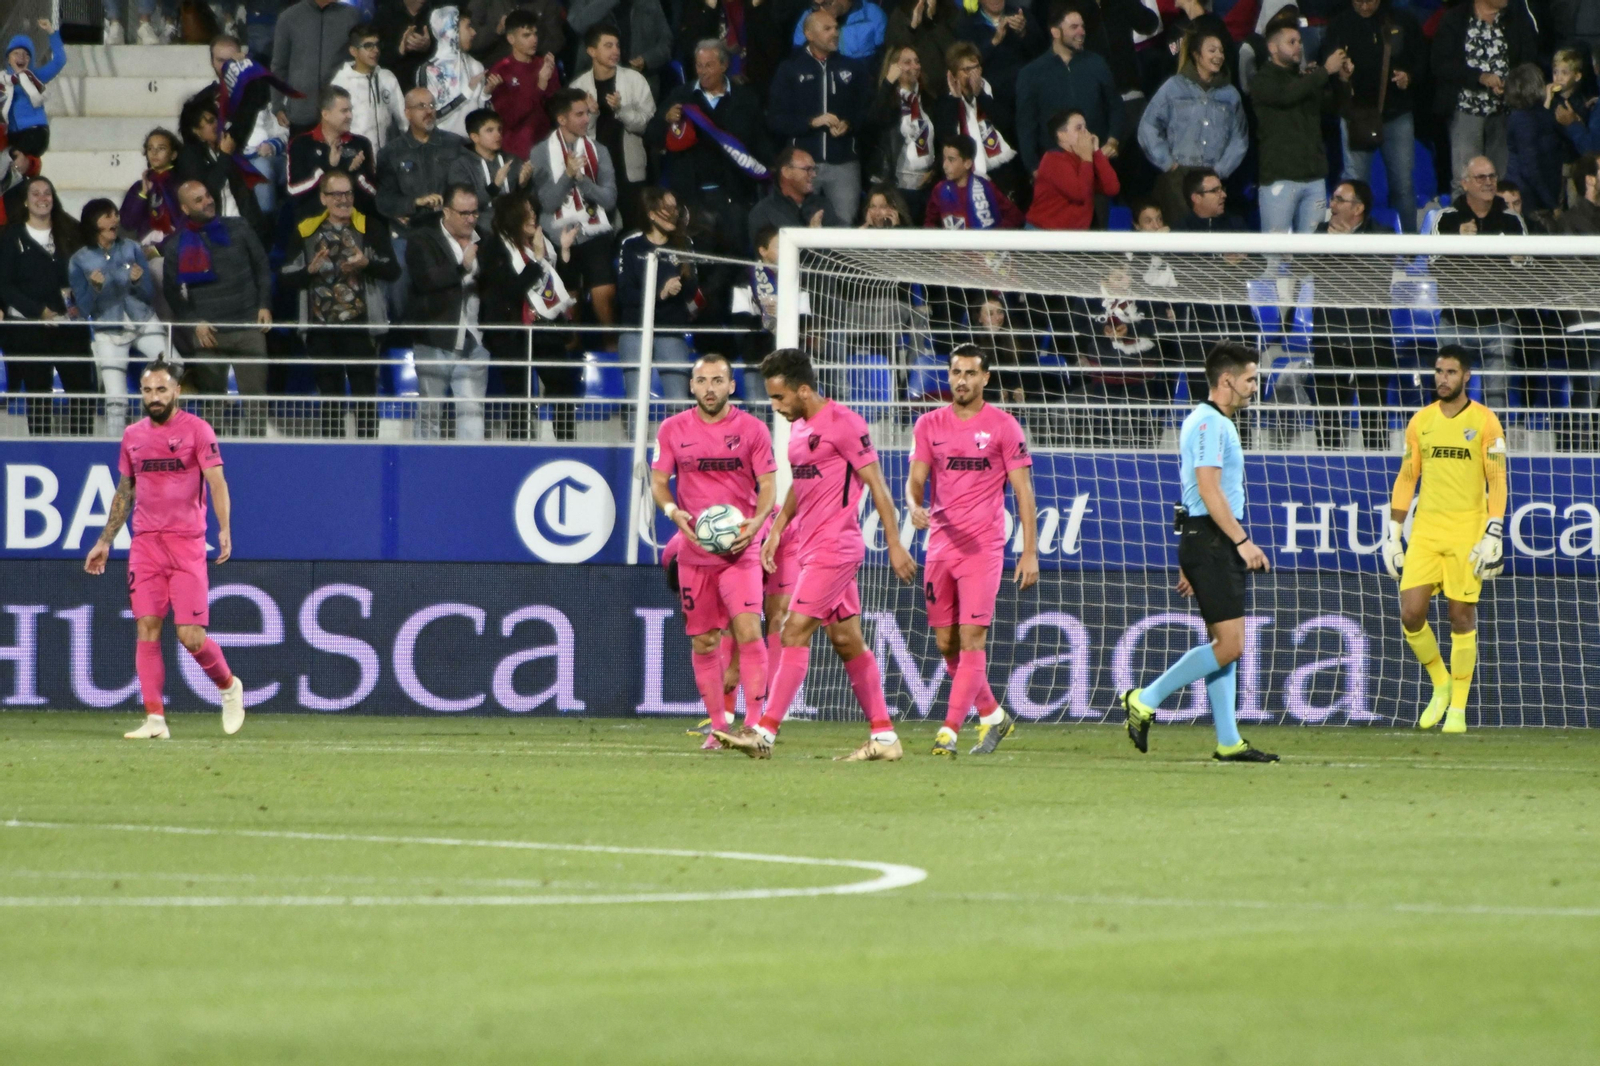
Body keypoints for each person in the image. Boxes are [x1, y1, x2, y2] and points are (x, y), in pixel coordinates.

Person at [715, 347, 918, 761]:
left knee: (792, 631)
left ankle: (763, 734)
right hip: (810, 547)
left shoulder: (844, 424)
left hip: (835, 549)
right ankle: (884, 737)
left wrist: (896, 543)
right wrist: (775, 530)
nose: (776, 407)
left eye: (779, 398)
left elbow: (878, 487)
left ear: (803, 390)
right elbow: (800, 485)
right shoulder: (799, 427)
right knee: (846, 640)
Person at [1119, 341, 1279, 763]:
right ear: (1227, 380)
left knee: (1223, 644)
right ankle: (1145, 698)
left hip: (1202, 538)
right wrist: (1242, 542)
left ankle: (1228, 740)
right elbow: (1207, 490)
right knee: (1230, 646)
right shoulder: (1211, 424)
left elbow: (1192, 493)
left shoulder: (1211, 421)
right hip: (1211, 539)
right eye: (1249, 379)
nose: (1254, 386)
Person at [83, 360, 246, 742]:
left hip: (186, 544)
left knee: (190, 635)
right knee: (147, 627)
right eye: (147, 391)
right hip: (145, 545)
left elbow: (217, 482)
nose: (153, 397)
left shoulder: (197, 431)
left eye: (161, 390)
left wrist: (224, 529)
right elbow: (126, 490)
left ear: (176, 392)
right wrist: (105, 540)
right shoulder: (133, 436)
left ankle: (228, 687)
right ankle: (155, 718)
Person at [906, 343, 1038, 757]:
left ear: (986, 378)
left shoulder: (1003, 426)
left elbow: (1024, 494)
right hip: (941, 545)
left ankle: (949, 731)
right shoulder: (929, 424)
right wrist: (913, 506)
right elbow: (916, 480)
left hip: (983, 547)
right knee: (946, 643)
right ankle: (994, 715)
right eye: (955, 372)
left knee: (972, 639)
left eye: (970, 373)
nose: (961, 380)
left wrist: (1029, 551)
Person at [651, 353, 778, 748]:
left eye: (718, 381)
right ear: (692, 386)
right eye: (702, 381)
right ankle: (719, 726)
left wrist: (756, 523)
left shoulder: (753, 429)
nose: (710, 388)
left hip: (740, 549)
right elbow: (658, 481)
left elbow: (769, 484)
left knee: (748, 631)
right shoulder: (673, 429)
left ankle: (755, 726)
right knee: (704, 641)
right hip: (695, 552)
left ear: (731, 386)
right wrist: (674, 512)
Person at [1381, 347, 1508, 735]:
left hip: (1466, 530)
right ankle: (1440, 681)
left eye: (1451, 372)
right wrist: (1394, 532)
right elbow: (1407, 477)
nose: (1443, 379)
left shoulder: (1486, 422)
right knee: (1410, 613)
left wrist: (1494, 529)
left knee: (1460, 617)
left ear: (1466, 376)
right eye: (1439, 371)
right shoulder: (1420, 421)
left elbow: (1497, 479)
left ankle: (1457, 710)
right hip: (1427, 530)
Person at [279, 170, 401, 438]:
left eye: (348, 193)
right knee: (330, 398)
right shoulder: (306, 230)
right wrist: (308, 271)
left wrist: (367, 264)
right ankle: (332, 455)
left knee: (365, 397)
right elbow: (286, 277)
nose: (344, 200)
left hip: (360, 326)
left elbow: (393, 271)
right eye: (336, 194)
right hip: (321, 329)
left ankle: (369, 454)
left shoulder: (370, 227)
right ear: (323, 198)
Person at [162, 180, 274, 436]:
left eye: (208, 195)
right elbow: (171, 291)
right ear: (185, 208)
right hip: (208, 333)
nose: (208, 201)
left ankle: (256, 454)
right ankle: (212, 458)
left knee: (256, 401)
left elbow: (262, 266)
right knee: (212, 406)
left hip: (248, 326)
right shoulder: (176, 245)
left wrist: (264, 304)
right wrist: (193, 321)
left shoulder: (240, 227)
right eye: (199, 200)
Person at [650, 39, 772, 256]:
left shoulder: (745, 99)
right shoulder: (681, 95)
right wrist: (664, 120)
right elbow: (651, 136)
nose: (702, 72)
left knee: (734, 256)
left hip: (734, 194)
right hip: (691, 194)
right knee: (699, 257)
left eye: (708, 65)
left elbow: (759, 143)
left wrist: (769, 170)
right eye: (699, 65)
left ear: (724, 66)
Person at [477, 192, 580, 440]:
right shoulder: (492, 248)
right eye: (527, 212)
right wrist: (536, 260)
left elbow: (560, 286)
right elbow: (510, 289)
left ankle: (567, 445)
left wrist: (563, 252)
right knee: (519, 397)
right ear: (511, 216)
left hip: (546, 329)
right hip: (512, 333)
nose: (533, 216)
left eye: (533, 212)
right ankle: (520, 450)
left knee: (563, 387)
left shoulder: (540, 244)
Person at [1429, 156, 1525, 412]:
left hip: (1500, 322)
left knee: (1497, 397)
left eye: (1492, 176)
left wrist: (1517, 260)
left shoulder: (1512, 220)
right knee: (1450, 397)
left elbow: (1528, 269)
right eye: (1481, 177)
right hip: (1455, 322)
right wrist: (1456, 241)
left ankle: (1494, 450)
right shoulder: (1445, 219)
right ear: (1465, 183)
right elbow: (1432, 264)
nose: (1489, 182)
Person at [1320, 0, 1424, 232]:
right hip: (1356, 115)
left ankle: (1409, 251)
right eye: (1359, 1)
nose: (1365, 6)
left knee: (1404, 187)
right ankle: (1353, 249)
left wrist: (1410, 77)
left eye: (1370, 0)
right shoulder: (1339, 24)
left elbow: (1422, 60)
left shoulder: (1402, 20)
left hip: (1396, 113)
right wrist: (1342, 76)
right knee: (1354, 189)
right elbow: (1326, 67)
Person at [0, 176, 91, 436]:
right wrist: (39, 311)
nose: (42, 198)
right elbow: (4, 285)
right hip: (28, 327)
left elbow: (83, 272)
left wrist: (76, 305)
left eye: (47, 193)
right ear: (26, 202)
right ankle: (40, 446)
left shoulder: (70, 230)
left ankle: (82, 446)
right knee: (38, 393)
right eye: (36, 194)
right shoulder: (11, 236)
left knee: (82, 390)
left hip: (69, 324)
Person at [767, 9, 871, 229]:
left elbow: (867, 112)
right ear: (809, 34)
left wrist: (848, 124)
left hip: (844, 163)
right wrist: (810, 123)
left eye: (836, 28)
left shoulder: (853, 68)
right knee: (799, 224)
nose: (835, 33)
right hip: (803, 164)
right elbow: (775, 119)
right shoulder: (790, 69)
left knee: (844, 226)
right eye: (827, 29)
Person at [70, 199, 169, 431]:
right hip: (108, 330)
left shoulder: (132, 248)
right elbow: (83, 309)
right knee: (116, 401)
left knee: (175, 367)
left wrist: (136, 282)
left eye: (115, 214)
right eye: (107, 215)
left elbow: (148, 292)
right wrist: (94, 289)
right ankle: (115, 447)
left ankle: (162, 431)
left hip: (143, 321)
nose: (115, 219)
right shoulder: (79, 260)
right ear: (94, 222)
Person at [1138, 27, 1248, 228]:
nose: (1218, 55)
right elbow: (1148, 125)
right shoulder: (1174, 87)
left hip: (1213, 178)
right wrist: (1168, 163)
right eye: (1212, 50)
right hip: (1178, 177)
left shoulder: (1230, 94)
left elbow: (1239, 139)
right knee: (1181, 239)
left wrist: (1221, 170)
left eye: (1221, 51)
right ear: (1197, 55)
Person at [1313, 179, 1393, 451]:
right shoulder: (1320, 233)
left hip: (1371, 340)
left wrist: (1345, 245)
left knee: (1375, 420)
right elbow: (1300, 266)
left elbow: (1378, 275)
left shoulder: (1383, 235)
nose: (1331, 205)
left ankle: (1378, 473)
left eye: (1338, 199)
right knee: (1328, 420)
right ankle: (1326, 471)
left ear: (1358, 208)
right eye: (1332, 199)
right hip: (1329, 338)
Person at [530, 88, 619, 328]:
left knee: (604, 292)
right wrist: (568, 175)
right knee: (569, 298)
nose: (586, 119)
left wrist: (582, 180)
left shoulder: (599, 150)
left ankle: (612, 349)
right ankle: (572, 347)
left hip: (593, 230)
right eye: (579, 114)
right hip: (557, 236)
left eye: (587, 113)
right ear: (562, 119)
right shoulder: (540, 154)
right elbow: (548, 202)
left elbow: (609, 200)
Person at [407, 183, 490, 440]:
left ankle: (470, 475)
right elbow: (426, 280)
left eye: (474, 212)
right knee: (430, 416)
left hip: (474, 342)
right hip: (435, 340)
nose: (471, 219)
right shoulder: (422, 239)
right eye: (464, 213)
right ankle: (422, 474)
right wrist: (461, 268)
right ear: (446, 211)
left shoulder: (484, 240)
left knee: (473, 418)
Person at [376, 88, 467, 320]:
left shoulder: (455, 145)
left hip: (448, 232)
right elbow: (384, 200)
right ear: (407, 113)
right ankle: (403, 336)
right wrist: (413, 203)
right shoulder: (390, 153)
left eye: (431, 106)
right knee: (399, 274)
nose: (429, 112)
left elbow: (467, 187)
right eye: (421, 107)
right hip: (409, 233)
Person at [1431, 0, 1539, 191]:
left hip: (1505, 109)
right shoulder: (1455, 19)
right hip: (1467, 109)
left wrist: (1511, 83)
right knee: (1465, 178)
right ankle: (1464, 220)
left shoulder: (1515, 18)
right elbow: (1441, 64)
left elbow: (1528, 58)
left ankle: (1498, 218)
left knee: (1501, 178)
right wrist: (1480, 77)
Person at [1253, 17, 1345, 234]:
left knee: (1310, 257)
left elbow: (1332, 108)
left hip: (1314, 179)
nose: (1298, 47)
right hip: (1279, 179)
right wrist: (1324, 71)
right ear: (1273, 47)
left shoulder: (1307, 80)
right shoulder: (1262, 80)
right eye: (1291, 42)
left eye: (1300, 42)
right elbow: (1286, 95)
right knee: (1275, 257)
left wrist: (1342, 80)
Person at [616, 187, 702, 401]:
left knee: (678, 401)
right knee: (636, 399)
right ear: (651, 213)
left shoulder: (684, 244)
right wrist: (659, 294)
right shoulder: (631, 245)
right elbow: (624, 294)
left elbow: (692, 290)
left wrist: (684, 280)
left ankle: (677, 437)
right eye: (667, 208)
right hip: (635, 329)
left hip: (671, 329)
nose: (674, 213)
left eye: (675, 208)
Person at [1015, 5, 1122, 176]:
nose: (1081, 32)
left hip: (1098, 161)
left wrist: (1113, 140)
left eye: (1082, 26)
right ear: (1055, 32)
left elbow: (1115, 105)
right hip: (1057, 170)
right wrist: (1034, 169)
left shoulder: (1097, 63)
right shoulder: (1031, 74)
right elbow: (1025, 126)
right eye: (1074, 27)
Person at [572, 25, 656, 233]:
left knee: (635, 229)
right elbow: (573, 135)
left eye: (617, 45)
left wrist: (621, 110)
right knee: (601, 233)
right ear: (592, 51)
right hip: (596, 174)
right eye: (608, 46)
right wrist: (590, 114)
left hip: (630, 171)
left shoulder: (635, 80)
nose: (615, 51)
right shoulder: (578, 88)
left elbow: (646, 124)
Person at [173, 95, 269, 243]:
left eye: (217, 119)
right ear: (196, 131)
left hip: (244, 228)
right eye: (210, 122)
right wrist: (224, 156)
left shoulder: (227, 145)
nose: (217, 125)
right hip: (216, 234)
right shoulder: (189, 156)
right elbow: (208, 189)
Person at [935, 42, 1020, 200]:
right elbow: (946, 137)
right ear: (953, 75)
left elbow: (1008, 125)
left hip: (1002, 172)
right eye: (966, 70)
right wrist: (954, 99)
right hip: (965, 177)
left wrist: (981, 95)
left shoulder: (994, 91)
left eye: (976, 67)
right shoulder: (945, 103)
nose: (973, 74)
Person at [867, 44, 938, 224]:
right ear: (893, 67)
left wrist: (934, 170)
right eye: (907, 62)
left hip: (924, 186)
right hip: (895, 186)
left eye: (917, 61)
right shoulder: (886, 100)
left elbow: (942, 138)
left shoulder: (928, 100)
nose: (915, 66)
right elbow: (873, 122)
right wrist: (888, 83)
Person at [285, 85, 379, 222]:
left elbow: (373, 192)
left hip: (355, 224)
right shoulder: (301, 144)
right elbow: (294, 190)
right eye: (344, 111)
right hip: (312, 223)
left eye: (350, 110)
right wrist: (327, 166)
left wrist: (353, 172)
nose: (350, 116)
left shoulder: (360, 144)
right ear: (325, 114)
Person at [271, 0, 364, 136]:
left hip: (339, 112)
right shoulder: (289, 17)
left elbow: (358, 61)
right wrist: (277, 105)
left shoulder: (352, 16)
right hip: (301, 111)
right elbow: (279, 66)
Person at [1027, 108, 1119, 230]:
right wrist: (1087, 157)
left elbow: (1112, 188)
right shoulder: (1053, 159)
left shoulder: (1085, 159)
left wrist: (1097, 151)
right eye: (1078, 128)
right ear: (1062, 135)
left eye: (1085, 128)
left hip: (1072, 237)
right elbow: (1080, 193)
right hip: (1043, 234)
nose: (1086, 133)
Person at [488, 9, 563, 158]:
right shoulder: (501, 71)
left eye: (535, 34)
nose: (534, 40)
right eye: (526, 35)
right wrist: (540, 86)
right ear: (511, 38)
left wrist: (551, 82)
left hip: (545, 147)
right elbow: (509, 118)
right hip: (515, 152)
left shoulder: (544, 65)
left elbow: (556, 108)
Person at [449, 108, 533, 237]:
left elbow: (526, 200)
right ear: (475, 137)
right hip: (481, 230)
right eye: (490, 130)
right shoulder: (460, 165)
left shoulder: (512, 160)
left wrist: (522, 185)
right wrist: (494, 186)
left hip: (514, 225)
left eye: (499, 129)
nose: (498, 135)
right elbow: (465, 207)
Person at [959, 0, 1047, 117]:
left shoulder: (1021, 15)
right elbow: (966, 64)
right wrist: (994, 42)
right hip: (995, 99)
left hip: (1030, 90)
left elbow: (1042, 51)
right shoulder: (968, 25)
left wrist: (1023, 33)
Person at [331, 22, 407, 152]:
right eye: (368, 46)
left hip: (386, 157)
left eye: (377, 45)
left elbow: (404, 120)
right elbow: (333, 128)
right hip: (355, 157)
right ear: (353, 51)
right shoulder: (340, 83)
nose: (376, 50)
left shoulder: (387, 78)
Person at [746, 146, 843, 247]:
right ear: (786, 172)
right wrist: (809, 237)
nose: (813, 174)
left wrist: (859, 232)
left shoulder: (822, 205)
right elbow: (770, 256)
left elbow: (841, 243)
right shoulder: (762, 213)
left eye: (814, 169)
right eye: (807, 169)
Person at [924, 135, 1024, 229]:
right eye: (944, 159)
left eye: (951, 160)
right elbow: (929, 223)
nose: (944, 165)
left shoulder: (986, 187)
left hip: (985, 246)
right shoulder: (940, 190)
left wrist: (994, 236)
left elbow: (1015, 216)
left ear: (967, 163)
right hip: (952, 246)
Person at [1504, 62, 1566, 214]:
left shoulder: (1536, 113)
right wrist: (1552, 204)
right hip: (1528, 199)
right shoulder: (1522, 120)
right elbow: (1530, 168)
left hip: (1540, 194)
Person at [2, 21, 66, 158]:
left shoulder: (35, 76)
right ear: (8, 58)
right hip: (13, 134)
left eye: (26, 54)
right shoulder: (3, 80)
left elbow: (60, 60)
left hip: (34, 131)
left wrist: (51, 32)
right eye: (16, 53)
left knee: (17, 159)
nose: (21, 57)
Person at [422, 6, 489, 138]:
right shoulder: (429, 70)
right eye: (468, 26)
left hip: (474, 147)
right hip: (443, 149)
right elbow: (432, 116)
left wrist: (486, 94)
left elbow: (481, 112)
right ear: (451, 30)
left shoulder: (476, 66)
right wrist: (467, 92)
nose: (474, 32)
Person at [120, 129, 183, 250]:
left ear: (173, 154)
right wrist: (143, 194)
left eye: (161, 148)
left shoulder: (181, 184)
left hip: (175, 245)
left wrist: (161, 248)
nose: (154, 153)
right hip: (145, 247)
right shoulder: (139, 186)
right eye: (150, 148)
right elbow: (127, 223)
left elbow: (185, 221)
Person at [887, 0, 962, 92]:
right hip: (916, 88)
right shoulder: (900, 14)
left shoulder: (948, 10)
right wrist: (912, 29)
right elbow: (894, 55)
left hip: (947, 84)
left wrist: (933, 20)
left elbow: (956, 53)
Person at [786, 0, 888, 64]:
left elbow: (884, 55)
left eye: (826, 3)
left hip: (859, 82)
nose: (820, 10)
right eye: (815, 5)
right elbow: (797, 56)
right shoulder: (808, 18)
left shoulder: (872, 14)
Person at [375, 0, 436, 90]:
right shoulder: (384, 15)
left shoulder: (436, 11)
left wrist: (428, 46)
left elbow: (450, 51)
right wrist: (399, 50)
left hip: (431, 85)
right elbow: (376, 58)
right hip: (397, 87)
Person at [1171, 166, 1242, 232]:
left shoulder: (1236, 225)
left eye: (1222, 189)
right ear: (1196, 198)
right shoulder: (1180, 231)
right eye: (1215, 190)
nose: (1224, 195)